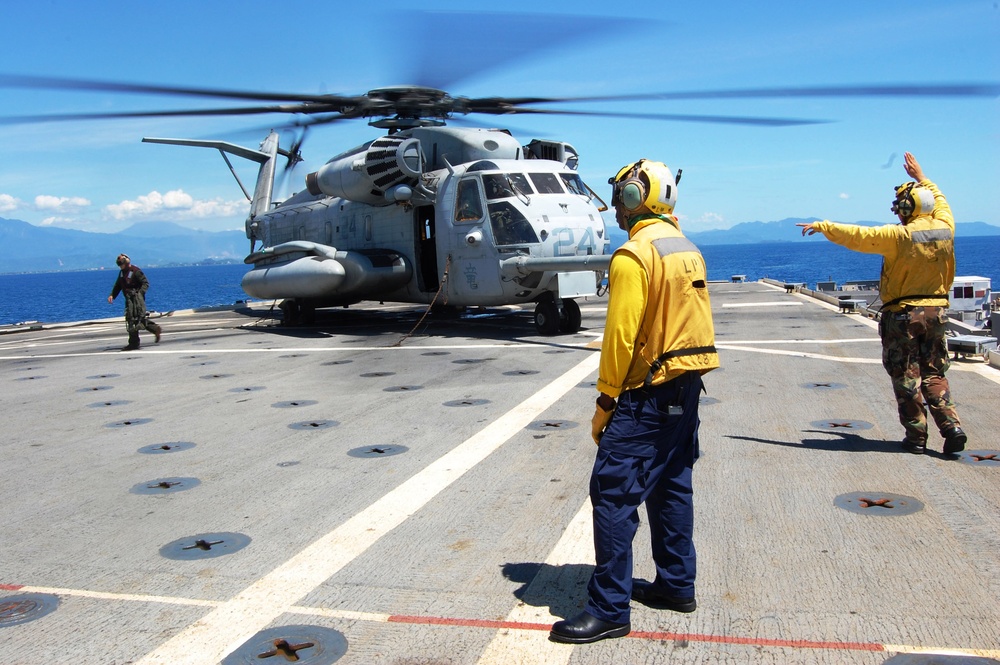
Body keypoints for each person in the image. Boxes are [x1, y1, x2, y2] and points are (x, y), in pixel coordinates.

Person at [549, 159, 719, 644]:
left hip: (647, 395)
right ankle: (676, 585)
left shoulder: (633, 255)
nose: (617, 206)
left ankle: (609, 610)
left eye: (622, 194)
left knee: (613, 494)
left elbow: (620, 340)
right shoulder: (686, 248)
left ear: (633, 197)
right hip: (687, 392)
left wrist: (605, 405)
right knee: (671, 486)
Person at [797, 152, 966, 455]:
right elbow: (939, 199)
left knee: (906, 376)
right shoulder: (946, 226)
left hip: (904, 315)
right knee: (935, 373)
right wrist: (922, 177)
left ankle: (916, 438)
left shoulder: (900, 236)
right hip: (937, 313)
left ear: (906, 208)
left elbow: (860, 235)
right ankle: (951, 425)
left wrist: (823, 225)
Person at [107, 253, 162, 350]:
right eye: (119, 265)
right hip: (129, 299)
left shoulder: (135, 271)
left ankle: (134, 343)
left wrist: (140, 294)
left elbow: (145, 283)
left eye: (121, 264)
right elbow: (118, 285)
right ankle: (155, 329)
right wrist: (112, 295)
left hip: (136, 299)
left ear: (126, 262)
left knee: (132, 319)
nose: (120, 266)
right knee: (137, 319)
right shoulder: (122, 273)